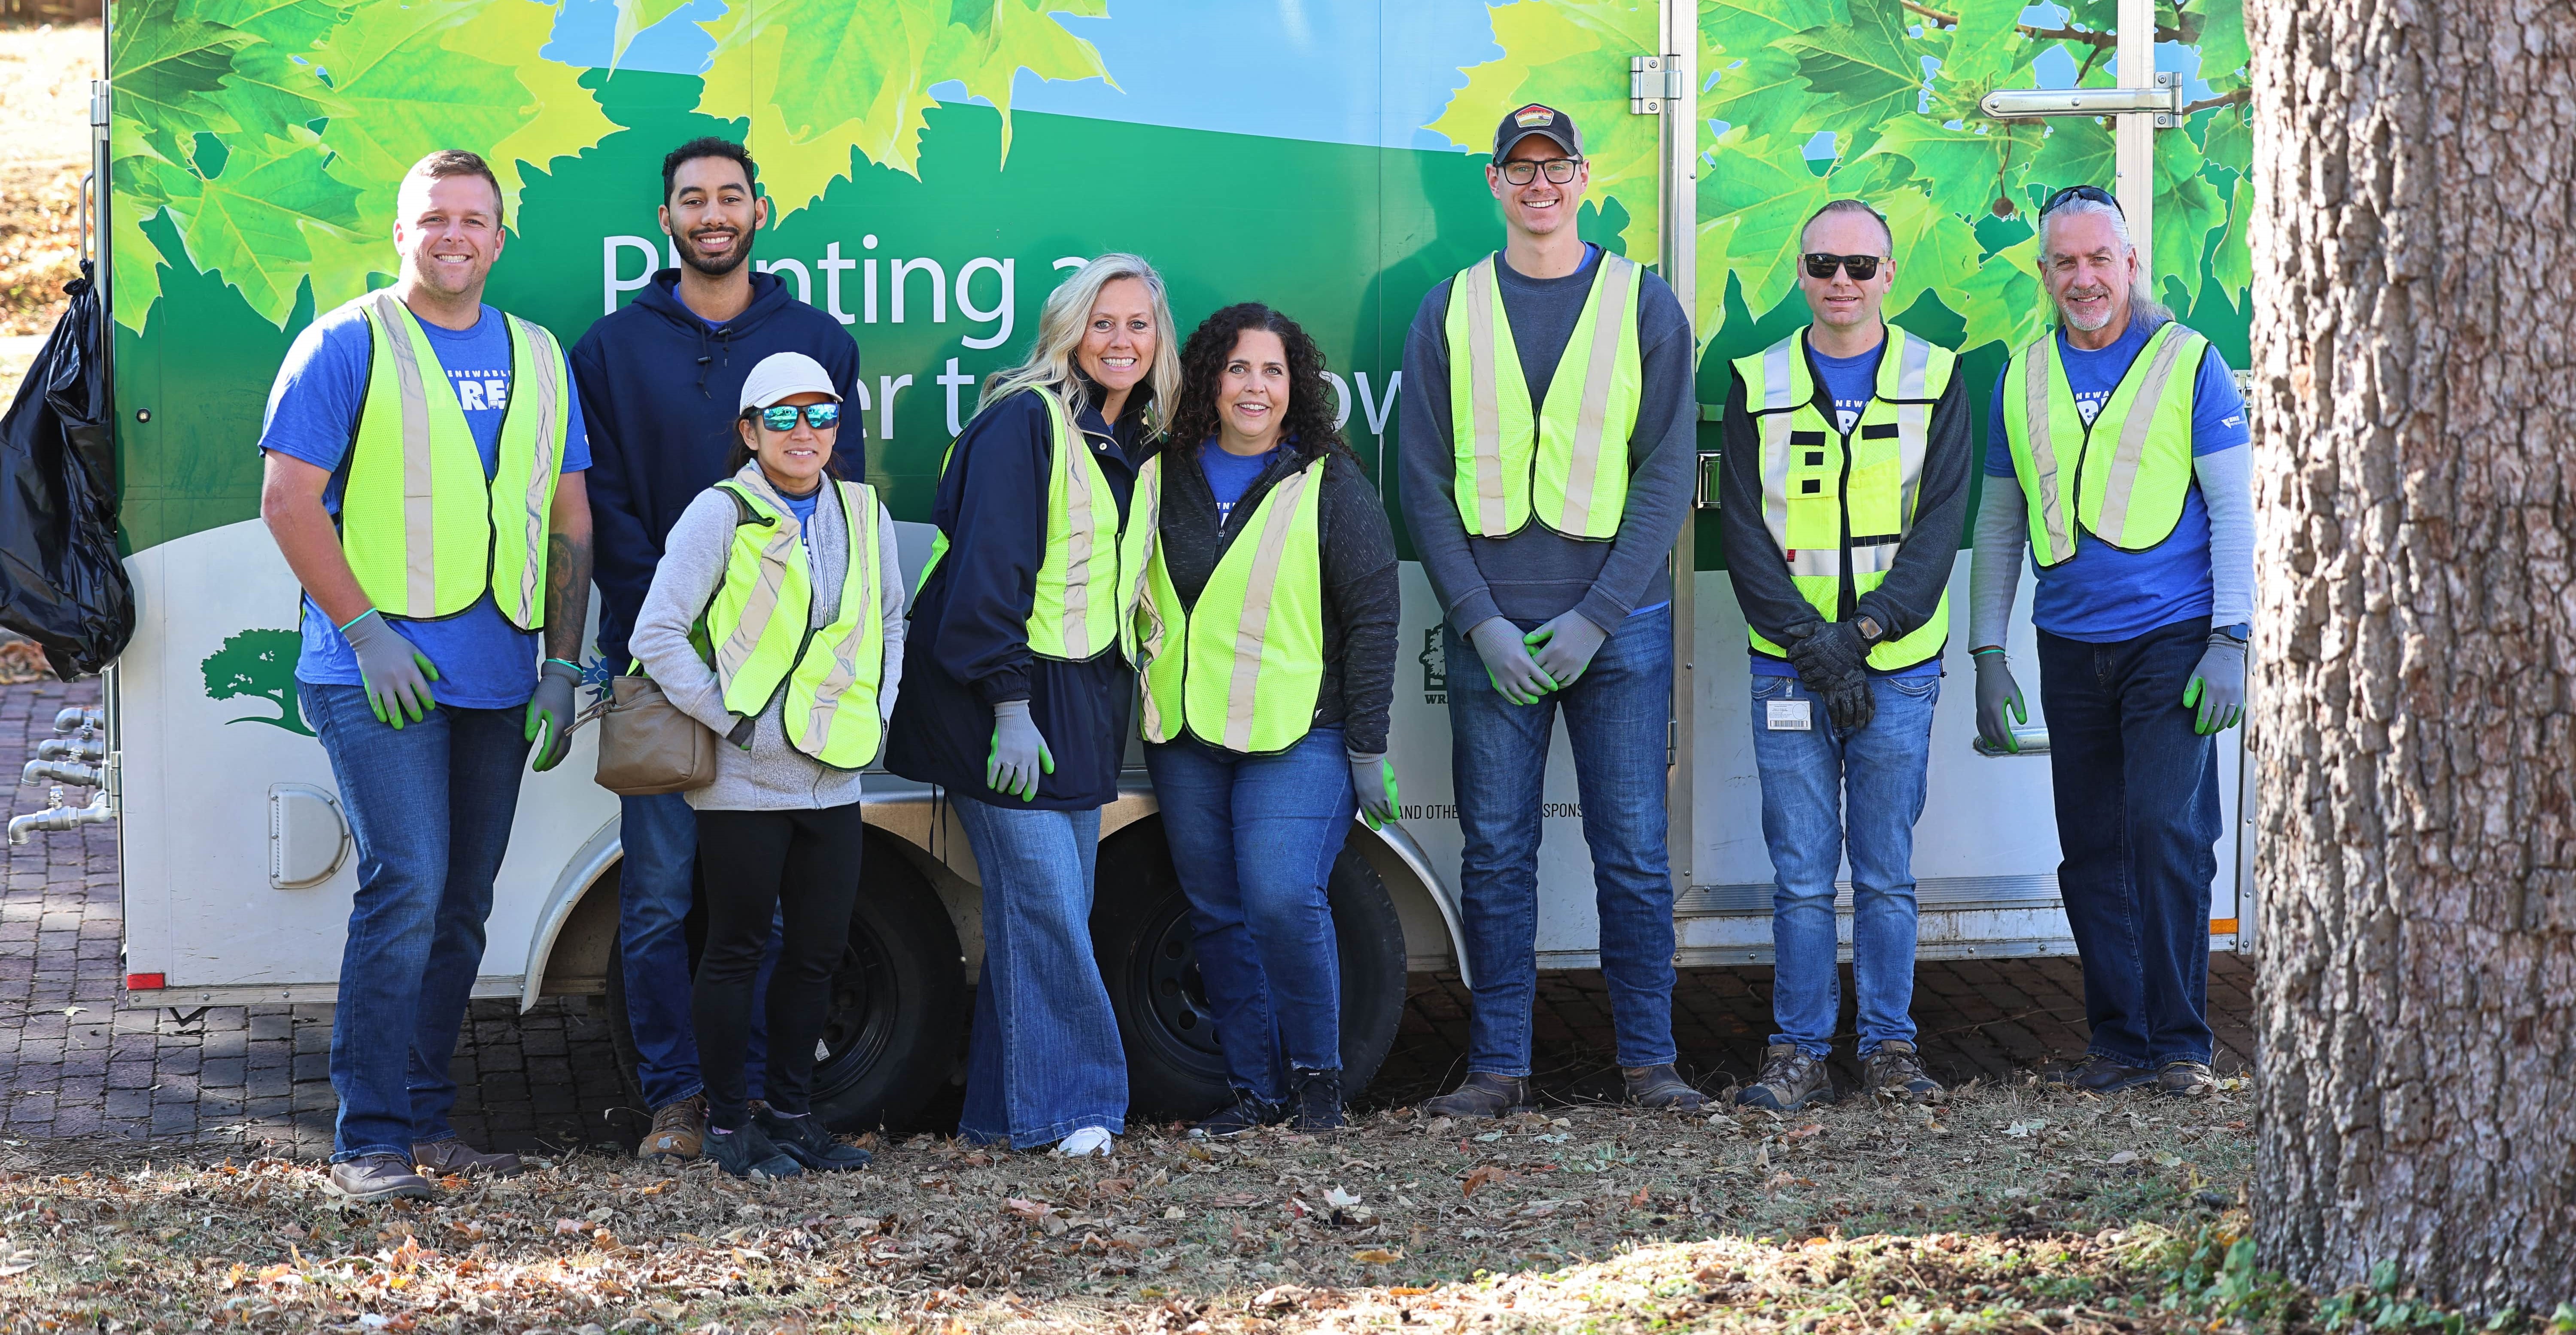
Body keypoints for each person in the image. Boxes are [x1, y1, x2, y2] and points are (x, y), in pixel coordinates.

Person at [255, 150, 593, 1201]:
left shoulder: (539, 354)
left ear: (501, 238)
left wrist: (563, 663)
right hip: (374, 674)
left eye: (475, 219)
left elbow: (571, 519)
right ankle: (368, 1143)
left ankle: (425, 1122)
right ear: (401, 231)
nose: (456, 235)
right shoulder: (347, 342)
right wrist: (366, 633)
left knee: (460, 902)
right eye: (435, 217)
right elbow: (288, 500)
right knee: (406, 885)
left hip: (502, 677)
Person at [1399, 104, 1702, 1116]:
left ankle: (1651, 1066)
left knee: (1632, 853)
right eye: (1519, 168)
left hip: (1619, 629)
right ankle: (1499, 1069)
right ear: (1493, 183)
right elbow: (1423, 483)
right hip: (1495, 633)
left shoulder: (1644, 303)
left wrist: (1600, 614)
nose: (1539, 185)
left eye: (1557, 166)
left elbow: (1665, 472)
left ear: (1584, 179)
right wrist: (1480, 620)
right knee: (1495, 854)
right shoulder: (1448, 308)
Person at [570, 137, 865, 1163]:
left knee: (769, 912)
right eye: (691, 199)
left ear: (760, 209)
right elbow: (598, 505)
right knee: (655, 899)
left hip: (784, 694)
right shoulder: (609, 350)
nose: (712, 214)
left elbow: (844, 506)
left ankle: (764, 1105)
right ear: (667, 220)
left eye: (730, 197)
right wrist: (680, 621)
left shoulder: (817, 340)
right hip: (661, 675)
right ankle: (679, 1099)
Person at [886, 254, 1178, 1156]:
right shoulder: (1025, 423)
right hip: (997, 698)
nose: (1121, 339)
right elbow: (983, 580)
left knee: (1038, 912)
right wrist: (1011, 705)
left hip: (1082, 702)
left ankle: (1001, 1118)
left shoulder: (1141, 440)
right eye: (1102, 322)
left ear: (1158, 339)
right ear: (1068, 333)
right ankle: (1079, 1111)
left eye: (1137, 324)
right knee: (1049, 905)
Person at [1969, 185, 2251, 1098]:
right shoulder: (2022, 375)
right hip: (2067, 643)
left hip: (2172, 640)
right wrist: (1986, 651)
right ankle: (2120, 1042)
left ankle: (2181, 1044)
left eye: (2101, 259)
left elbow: (2236, 513)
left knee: (2166, 829)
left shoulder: (2191, 361)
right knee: (2091, 844)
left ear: (2131, 263)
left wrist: (2232, 638)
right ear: (2045, 273)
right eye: (2065, 263)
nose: (2084, 278)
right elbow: (2002, 522)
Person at [1717, 200, 1973, 1110]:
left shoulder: (1937, 377)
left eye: (1861, 266)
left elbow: (1941, 530)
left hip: (1897, 665)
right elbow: (1741, 529)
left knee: (1884, 871)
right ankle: (1797, 1054)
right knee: (1798, 873)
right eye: (1824, 264)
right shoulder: (1756, 380)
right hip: (1789, 664)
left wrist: (1858, 641)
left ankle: (1891, 1051)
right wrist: (1812, 649)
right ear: (1801, 272)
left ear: (1888, 275)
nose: (1841, 282)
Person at [628, 352, 902, 1177]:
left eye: (820, 413)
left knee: (818, 952)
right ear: (749, 432)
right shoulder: (721, 513)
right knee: (738, 949)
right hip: (743, 781)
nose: (804, 430)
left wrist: (878, 714)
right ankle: (726, 1128)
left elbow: (889, 620)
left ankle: (790, 1118)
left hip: (836, 773)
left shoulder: (863, 509)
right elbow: (656, 634)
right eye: (780, 416)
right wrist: (731, 721)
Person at [1136, 304, 1401, 1137]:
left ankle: (1319, 1082)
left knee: (1283, 894)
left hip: (1300, 731)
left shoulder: (1327, 478)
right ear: (1210, 378)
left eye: (1274, 371)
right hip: (1186, 733)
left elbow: (1374, 615)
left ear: (1298, 389)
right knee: (1217, 909)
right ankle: (1256, 1091)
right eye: (1239, 368)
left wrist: (1368, 745)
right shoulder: (1164, 469)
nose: (1256, 386)